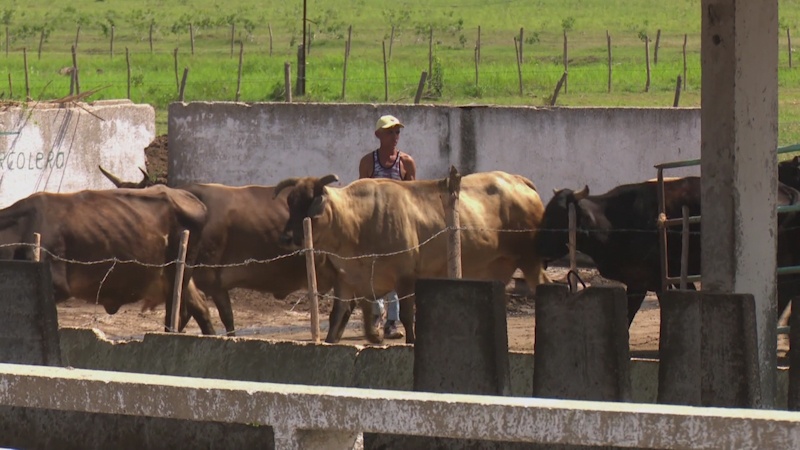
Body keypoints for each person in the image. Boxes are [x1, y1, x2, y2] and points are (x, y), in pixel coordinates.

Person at [357, 114, 417, 339]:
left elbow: (413, 196)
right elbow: (361, 195)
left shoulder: (405, 162)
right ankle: (376, 316)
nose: (395, 136)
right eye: (390, 132)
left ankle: (392, 321)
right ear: (378, 135)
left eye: (397, 132)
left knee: (396, 275)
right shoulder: (368, 162)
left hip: (398, 229)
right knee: (374, 273)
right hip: (374, 227)